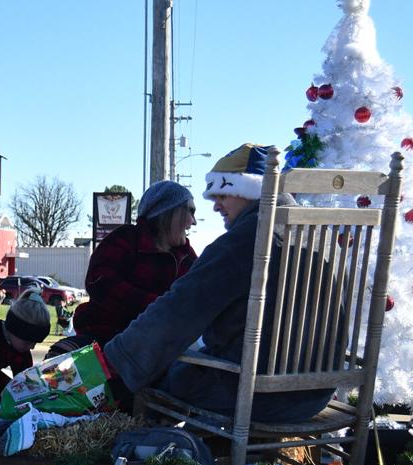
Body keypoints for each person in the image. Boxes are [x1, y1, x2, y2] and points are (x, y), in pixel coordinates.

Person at [104, 144, 334, 423]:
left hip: (255, 395)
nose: (215, 205)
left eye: (222, 194)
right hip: (315, 393)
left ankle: (158, 456)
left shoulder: (249, 239)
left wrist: (118, 359)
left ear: (248, 190)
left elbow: (179, 310)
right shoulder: (308, 234)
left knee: (160, 378)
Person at [65, 180, 198, 353]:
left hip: (162, 347)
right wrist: (159, 307)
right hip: (108, 342)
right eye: (190, 211)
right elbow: (101, 283)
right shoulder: (126, 239)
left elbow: (199, 295)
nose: (193, 221)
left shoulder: (186, 256)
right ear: (168, 212)